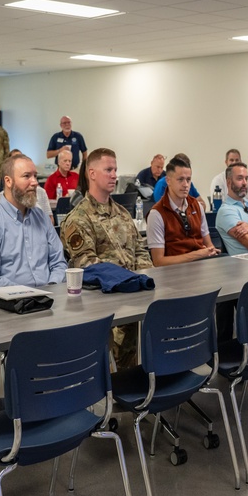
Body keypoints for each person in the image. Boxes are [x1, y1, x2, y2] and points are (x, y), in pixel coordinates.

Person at [61, 147, 151, 368]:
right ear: (92, 173)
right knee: (117, 374)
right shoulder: (79, 218)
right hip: (104, 304)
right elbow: (87, 265)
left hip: (135, 297)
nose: (114, 175)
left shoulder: (121, 212)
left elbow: (140, 250)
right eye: (108, 170)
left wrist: (143, 281)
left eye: (115, 170)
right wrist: (129, 282)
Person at [0, 154, 66, 289]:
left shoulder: (42, 218)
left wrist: (51, 287)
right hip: (10, 305)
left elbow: (59, 264)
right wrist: (29, 294)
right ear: (8, 181)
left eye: (35, 176)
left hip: (48, 299)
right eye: (27, 176)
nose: (35, 182)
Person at [146, 155, 219, 266]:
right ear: (168, 181)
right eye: (180, 179)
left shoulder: (197, 206)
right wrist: (198, 255)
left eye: (188, 180)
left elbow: (209, 246)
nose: (185, 185)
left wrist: (210, 252)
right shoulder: (157, 214)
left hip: (201, 266)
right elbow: (158, 261)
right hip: (176, 271)